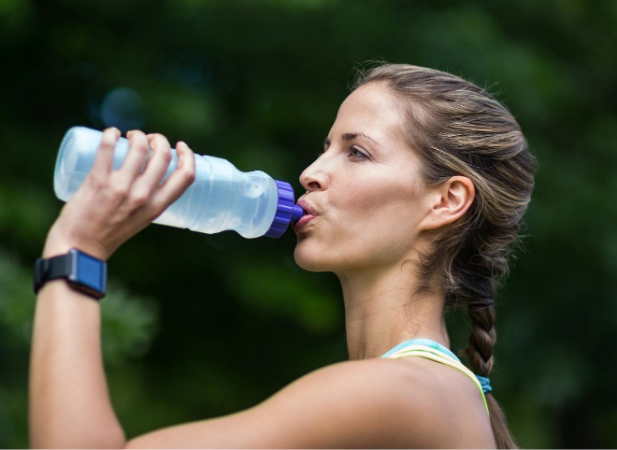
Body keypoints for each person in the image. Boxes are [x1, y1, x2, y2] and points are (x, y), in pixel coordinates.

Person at [29, 63, 536, 449]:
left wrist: (76, 250)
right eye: (326, 147)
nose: (312, 171)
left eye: (356, 152)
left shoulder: (409, 392)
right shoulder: (425, 392)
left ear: (446, 201)